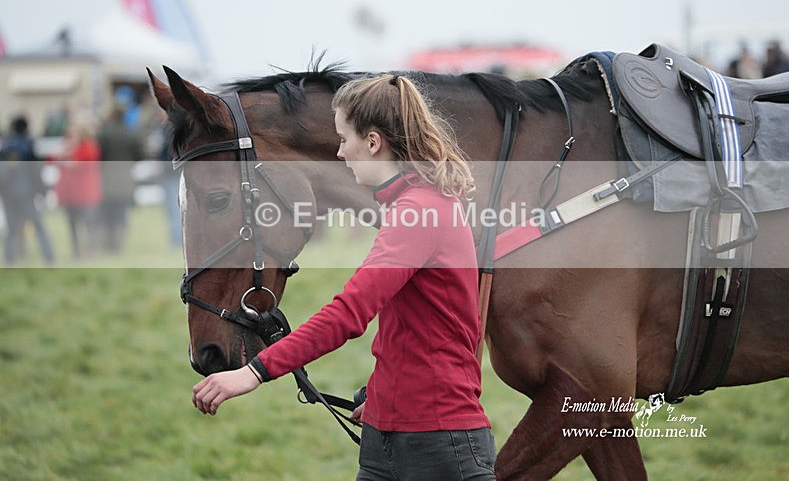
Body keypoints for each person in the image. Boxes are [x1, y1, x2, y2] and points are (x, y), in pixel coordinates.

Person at [191, 74, 497, 479]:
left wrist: (253, 372)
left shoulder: (421, 211)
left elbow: (350, 313)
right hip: (388, 434)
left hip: (440, 444)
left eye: (343, 139)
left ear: (372, 143)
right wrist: (386, 398)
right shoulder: (411, 207)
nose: (339, 153)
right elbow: (411, 327)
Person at [0, 115, 54, 264]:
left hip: (9, 194)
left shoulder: (6, 146)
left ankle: (9, 260)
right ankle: (49, 258)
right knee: (38, 226)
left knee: (11, 229)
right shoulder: (28, 145)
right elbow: (36, 170)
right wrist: (43, 190)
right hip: (26, 193)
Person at [96, 103, 144, 253]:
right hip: (125, 178)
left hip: (106, 178)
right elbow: (140, 156)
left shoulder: (103, 133)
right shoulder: (131, 133)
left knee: (107, 214)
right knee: (121, 214)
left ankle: (107, 244)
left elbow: (98, 156)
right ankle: (119, 246)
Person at [55, 118, 102, 258]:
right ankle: (76, 252)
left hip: (85, 192)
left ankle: (92, 251)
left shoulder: (88, 146)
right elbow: (53, 159)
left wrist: (66, 161)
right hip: (69, 193)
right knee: (72, 224)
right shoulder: (66, 146)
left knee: (89, 224)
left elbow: (83, 164)